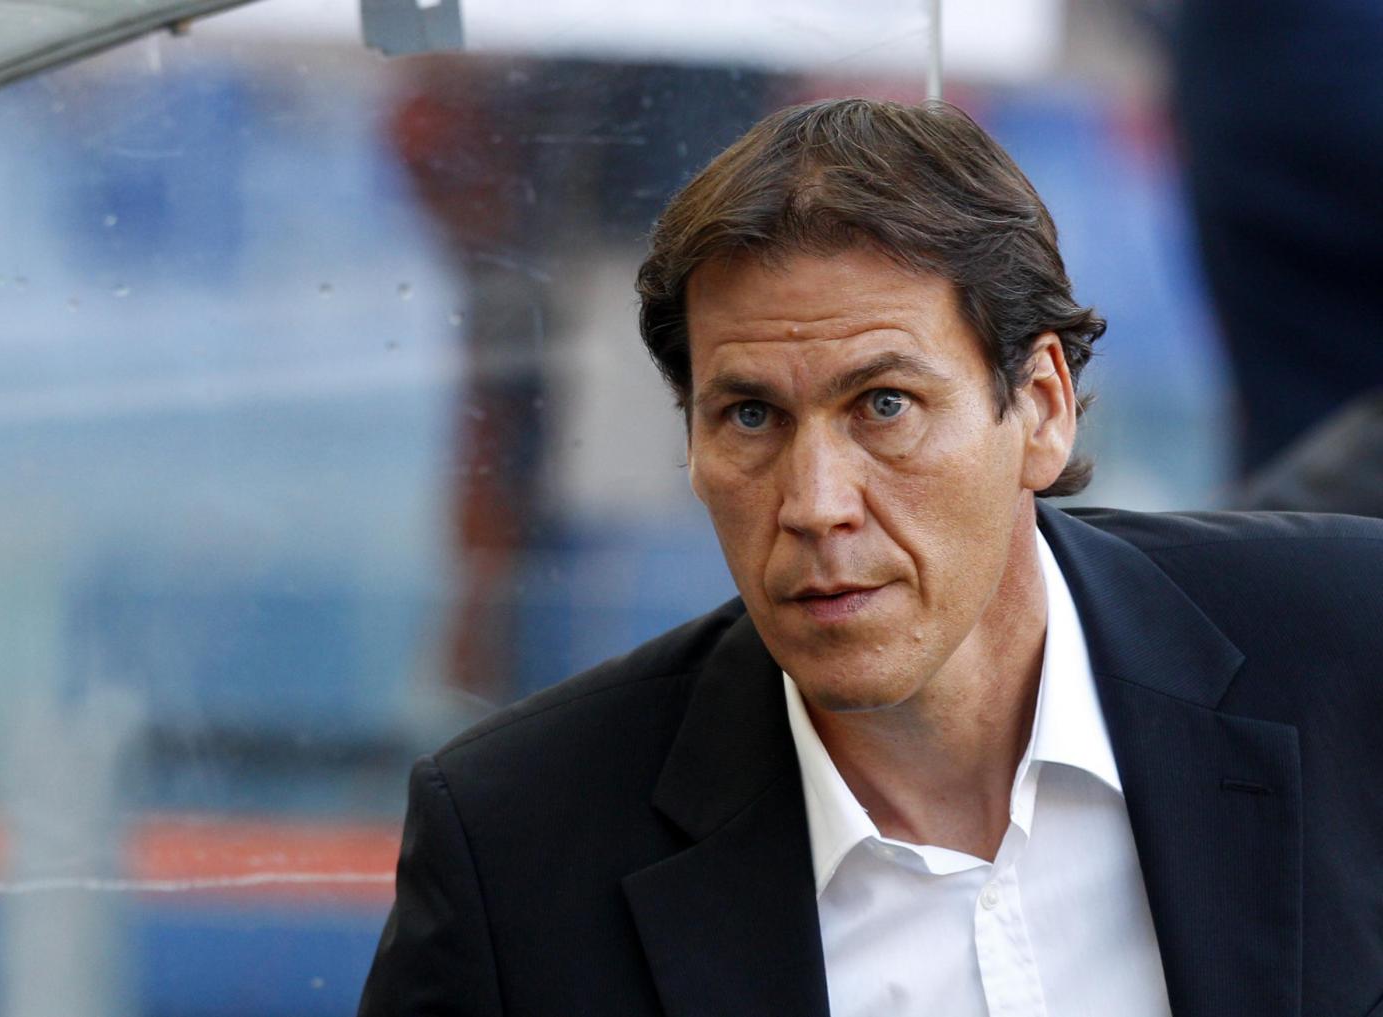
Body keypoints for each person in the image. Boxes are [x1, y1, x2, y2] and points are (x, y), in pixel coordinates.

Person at [359, 98, 1383, 1017]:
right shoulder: (522, 846)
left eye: (882, 405)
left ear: (1039, 410)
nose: (813, 505)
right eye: (750, 415)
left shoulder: (1344, 650)